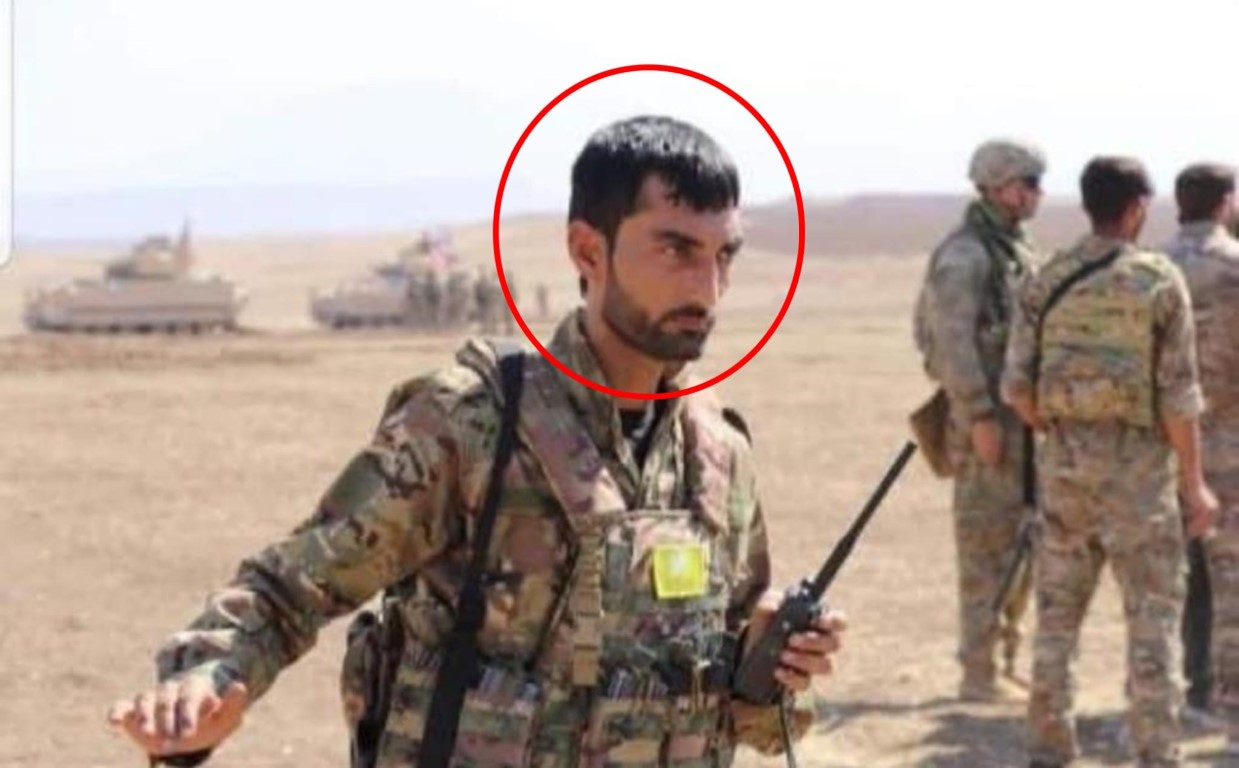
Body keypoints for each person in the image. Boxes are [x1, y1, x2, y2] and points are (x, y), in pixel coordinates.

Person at [107, 114, 846, 767]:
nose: (708, 289)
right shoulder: (474, 422)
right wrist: (203, 684)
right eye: (676, 250)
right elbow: (287, 590)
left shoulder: (717, 455)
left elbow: (746, 711)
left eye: (723, 256)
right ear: (587, 251)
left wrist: (769, 665)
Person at [1002, 156, 1218, 768]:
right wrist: (1195, 485)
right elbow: (1179, 397)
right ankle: (1157, 752)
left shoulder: (1045, 278)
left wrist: (1063, 432)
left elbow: (1016, 388)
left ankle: (1048, 749)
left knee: (1057, 623)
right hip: (1139, 485)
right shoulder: (1157, 281)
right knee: (1153, 628)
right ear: (1137, 208)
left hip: (1065, 479)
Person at [912, 138, 1047, 701]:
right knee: (986, 549)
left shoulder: (1013, 250)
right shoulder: (965, 257)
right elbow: (950, 345)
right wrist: (980, 415)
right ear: (997, 187)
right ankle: (979, 671)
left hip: (1023, 425)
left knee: (1022, 547)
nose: (1037, 194)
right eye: (1028, 183)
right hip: (988, 425)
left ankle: (1004, 658)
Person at [1163, 162, 1239, 748]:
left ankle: (1186, 690)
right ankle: (1230, 702)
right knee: (1231, 580)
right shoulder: (1233, 267)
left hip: (1161, 449)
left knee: (1178, 576)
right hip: (1229, 447)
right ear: (1225, 203)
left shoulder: (1149, 268)